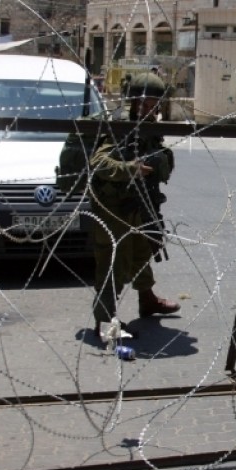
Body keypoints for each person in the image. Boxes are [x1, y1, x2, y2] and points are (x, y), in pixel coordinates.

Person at [89, 72, 180, 338]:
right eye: (144, 103)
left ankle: (147, 299)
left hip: (139, 202)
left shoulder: (149, 128)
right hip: (113, 207)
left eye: (154, 104)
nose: (149, 109)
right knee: (114, 260)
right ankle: (104, 321)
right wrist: (130, 169)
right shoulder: (120, 126)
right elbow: (99, 163)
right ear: (133, 102)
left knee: (142, 249)